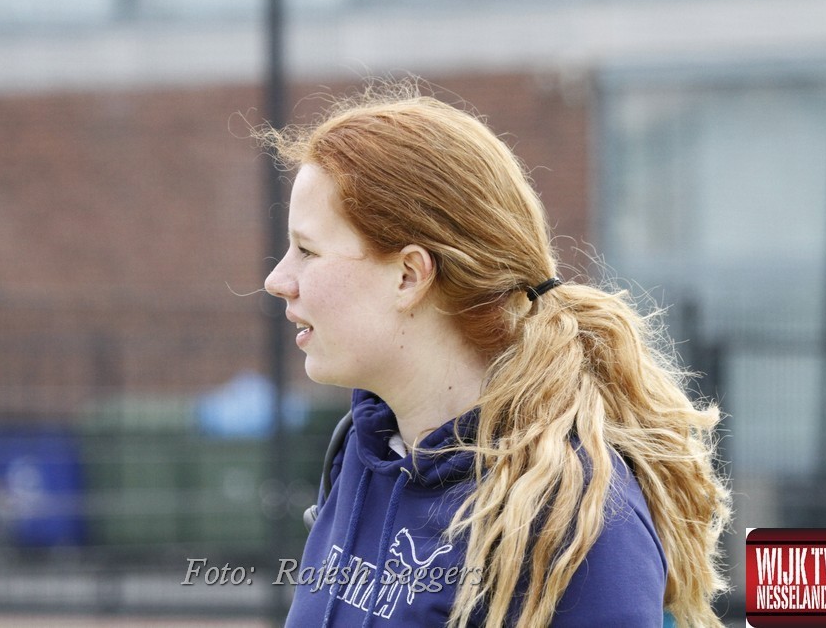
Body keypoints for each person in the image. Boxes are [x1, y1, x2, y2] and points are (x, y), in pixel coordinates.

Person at [261, 80, 730, 627]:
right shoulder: (358, 452)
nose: (278, 280)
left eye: (308, 250)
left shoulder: (576, 519)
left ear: (409, 275)